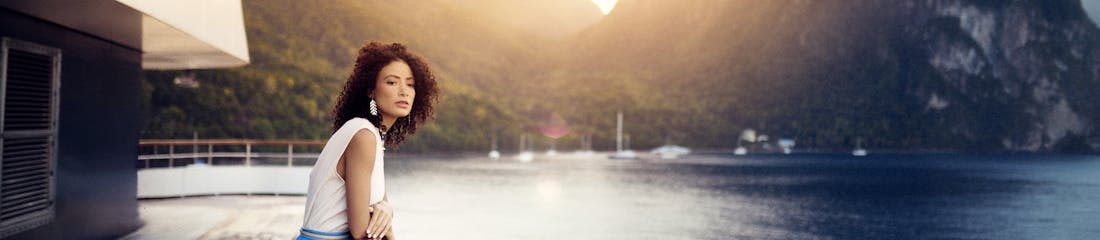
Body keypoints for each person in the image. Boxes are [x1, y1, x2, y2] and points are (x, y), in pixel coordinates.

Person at [299, 41, 439, 240]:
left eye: (410, 84)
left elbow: (381, 205)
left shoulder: (373, 134)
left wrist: (387, 211)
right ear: (371, 91)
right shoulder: (363, 135)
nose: (403, 91)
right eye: (392, 82)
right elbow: (362, 232)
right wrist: (388, 228)